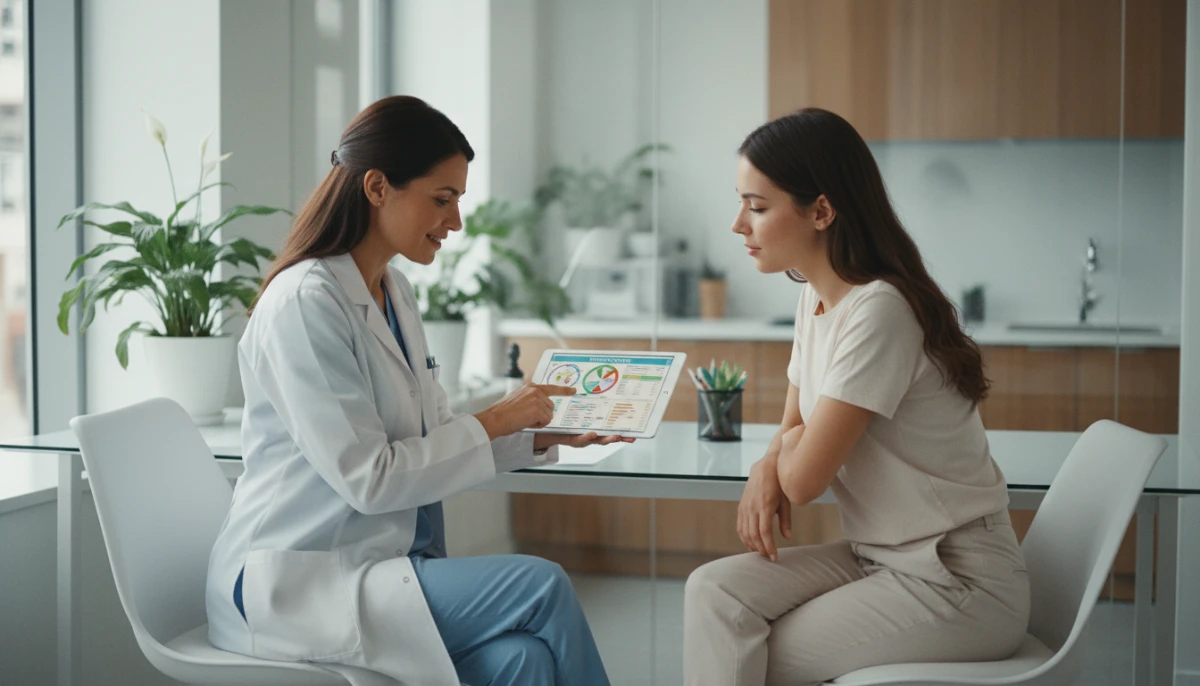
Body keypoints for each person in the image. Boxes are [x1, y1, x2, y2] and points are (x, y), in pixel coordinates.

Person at [206, 95, 622, 686]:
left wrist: (537, 435)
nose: (455, 222)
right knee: (543, 585)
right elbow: (371, 478)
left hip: (375, 566)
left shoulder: (393, 290)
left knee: (522, 661)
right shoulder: (304, 303)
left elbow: (434, 438)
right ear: (377, 187)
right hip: (296, 583)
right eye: (441, 199)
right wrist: (501, 419)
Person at [683, 108, 1030, 685]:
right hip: (880, 556)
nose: (738, 225)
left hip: (958, 577)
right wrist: (771, 460)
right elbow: (793, 431)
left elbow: (803, 481)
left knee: (749, 651)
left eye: (758, 206)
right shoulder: (815, 299)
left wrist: (779, 461)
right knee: (714, 592)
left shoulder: (880, 311)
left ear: (821, 210)